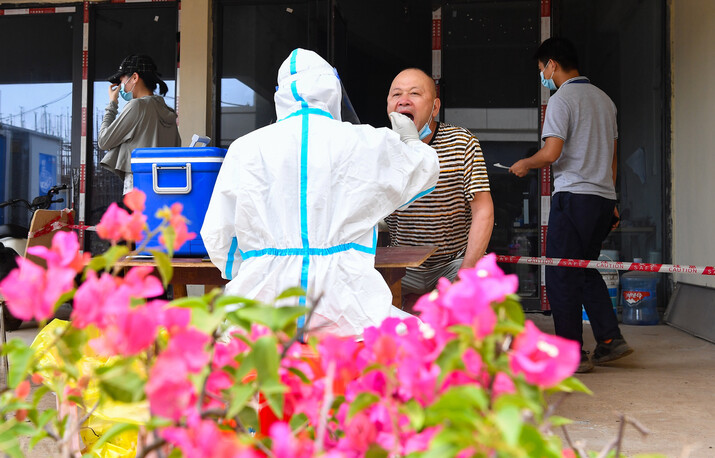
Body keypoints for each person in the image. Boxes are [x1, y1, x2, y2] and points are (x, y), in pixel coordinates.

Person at [200, 49, 440, 338]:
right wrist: (411, 143)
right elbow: (422, 172)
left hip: (262, 302)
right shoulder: (364, 141)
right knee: (418, 343)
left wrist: (250, 267)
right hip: (348, 301)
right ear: (332, 89)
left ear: (280, 94)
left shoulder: (245, 148)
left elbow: (218, 234)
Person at [508, 37, 633, 373]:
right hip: (603, 200)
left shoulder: (562, 99)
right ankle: (609, 340)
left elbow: (552, 153)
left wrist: (524, 164)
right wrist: (613, 199)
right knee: (583, 268)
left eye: (541, 69)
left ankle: (571, 354)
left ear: (552, 64)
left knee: (563, 274)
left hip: (574, 198)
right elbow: (613, 157)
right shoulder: (605, 101)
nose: (543, 76)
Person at [384, 68, 494, 307]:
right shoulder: (380, 147)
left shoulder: (462, 142)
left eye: (414, 93)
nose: (404, 100)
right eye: (396, 94)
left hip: (453, 262)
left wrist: (465, 273)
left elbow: (483, 211)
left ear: (434, 108)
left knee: (480, 301)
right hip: (401, 264)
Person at [98, 54, 181, 195]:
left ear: (135, 78)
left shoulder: (137, 106)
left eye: (121, 80)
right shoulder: (167, 110)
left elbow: (104, 141)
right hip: (165, 189)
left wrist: (112, 104)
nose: (120, 86)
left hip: (138, 188)